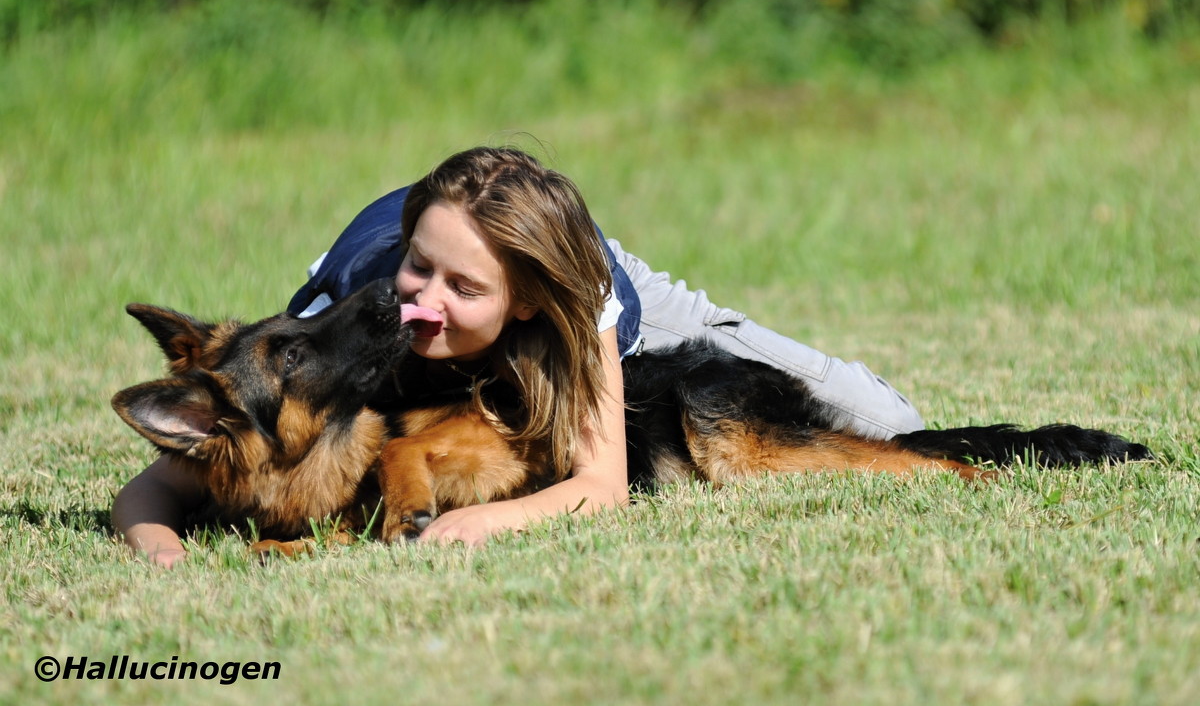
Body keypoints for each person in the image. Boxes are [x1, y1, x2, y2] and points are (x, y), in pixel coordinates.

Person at [112, 146, 922, 567]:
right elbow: (155, 487)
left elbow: (600, 486)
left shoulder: (569, 298)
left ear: (516, 300)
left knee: (888, 423)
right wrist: (165, 551)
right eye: (418, 271)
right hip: (479, 271)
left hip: (596, 286)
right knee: (434, 314)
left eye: (458, 285)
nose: (423, 299)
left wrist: (476, 523)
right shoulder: (347, 325)